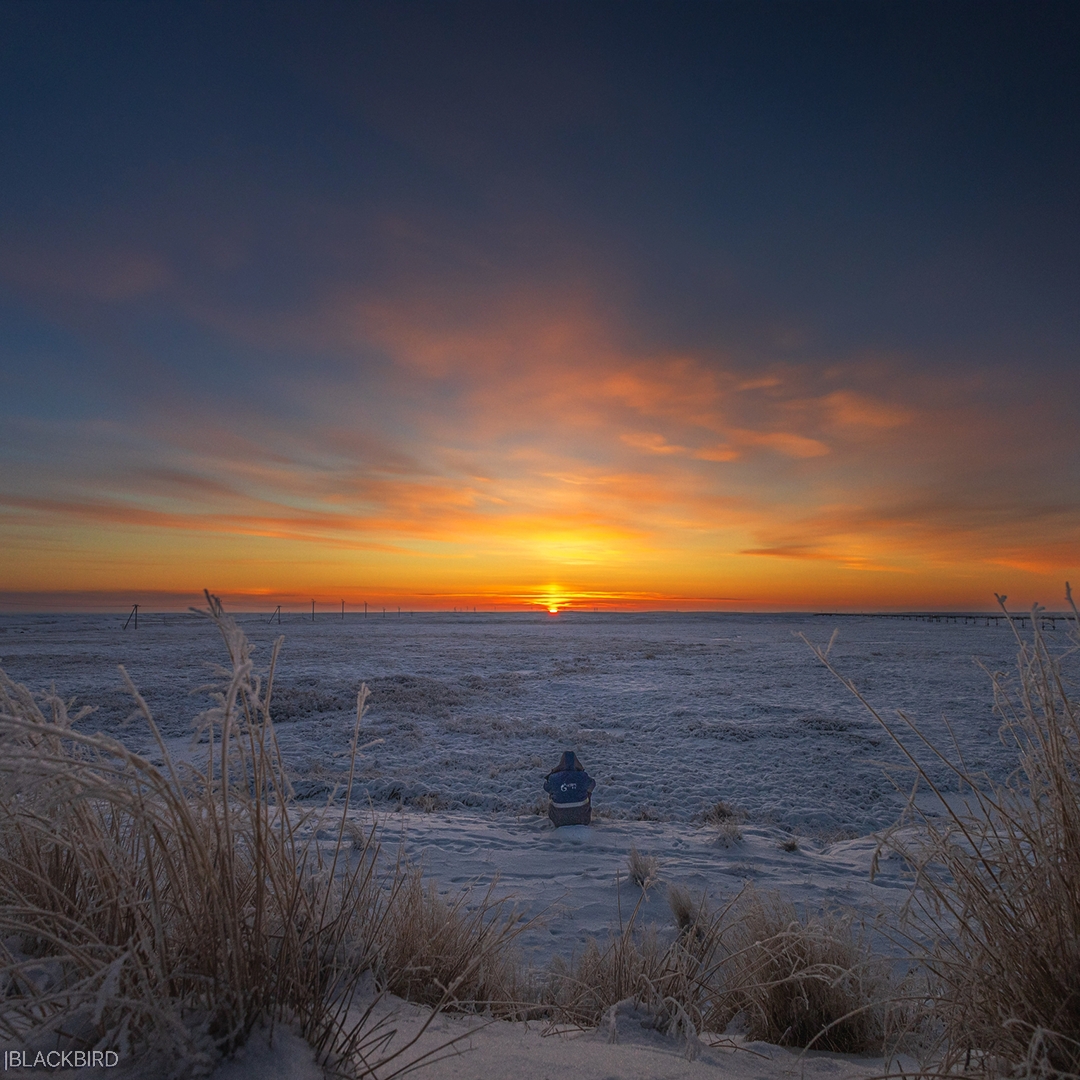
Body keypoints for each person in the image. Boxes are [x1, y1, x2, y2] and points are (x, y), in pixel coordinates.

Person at [543, 750, 596, 826]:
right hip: (582, 819)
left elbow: (546, 787)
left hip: (559, 820)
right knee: (586, 792)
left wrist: (553, 773)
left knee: (553, 793)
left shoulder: (554, 777)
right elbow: (592, 784)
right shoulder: (582, 776)